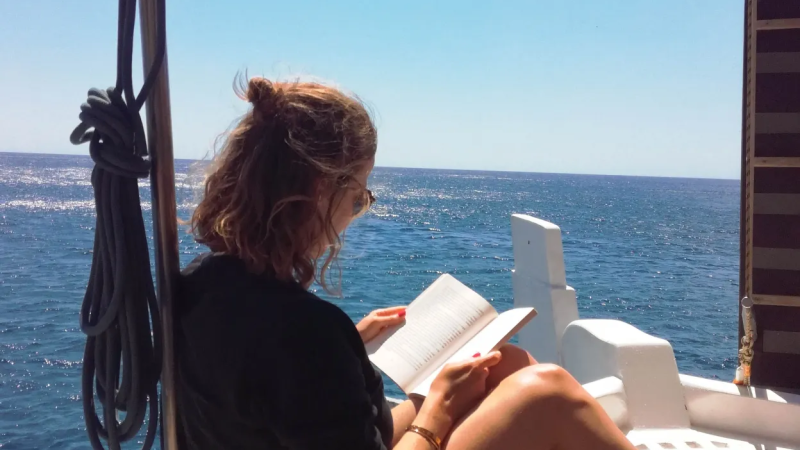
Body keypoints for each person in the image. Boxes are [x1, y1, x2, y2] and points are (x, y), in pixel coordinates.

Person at [174, 75, 636, 450]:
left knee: (502, 363)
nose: (355, 214)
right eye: (357, 197)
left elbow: (261, 385)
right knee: (547, 391)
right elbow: (288, 361)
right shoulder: (304, 332)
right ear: (319, 189)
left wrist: (351, 342)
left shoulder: (200, 283)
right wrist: (436, 411)